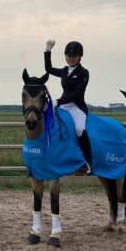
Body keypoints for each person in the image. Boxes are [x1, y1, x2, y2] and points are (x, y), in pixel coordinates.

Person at [44, 39, 92, 173]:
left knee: (79, 128)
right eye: (69, 56)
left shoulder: (83, 72)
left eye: (74, 56)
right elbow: (48, 69)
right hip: (63, 105)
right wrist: (48, 51)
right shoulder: (64, 71)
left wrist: (58, 101)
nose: (71, 59)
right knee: (48, 122)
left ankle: (88, 162)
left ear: (79, 57)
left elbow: (78, 94)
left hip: (76, 106)